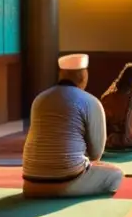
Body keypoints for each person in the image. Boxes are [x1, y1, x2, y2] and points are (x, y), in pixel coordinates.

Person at [22, 54, 124, 198]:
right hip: (67, 182)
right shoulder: (90, 102)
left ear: (60, 75)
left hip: (31, 182)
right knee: (115, 174)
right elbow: (96, 154)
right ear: (84, 76)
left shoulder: (40, 99)